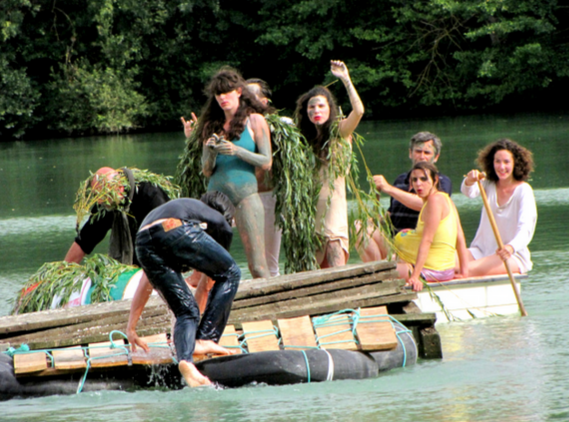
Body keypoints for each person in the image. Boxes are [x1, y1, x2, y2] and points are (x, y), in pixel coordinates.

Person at [126, 192, 241, 388]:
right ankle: (204, 340)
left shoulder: (188, 210)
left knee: (186, 310)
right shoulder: (216, 222)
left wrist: (131, 327)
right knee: (231, 273)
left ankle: (186, 362)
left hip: (142, 241)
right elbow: (204, 285)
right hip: (174, 228)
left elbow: (146, 282)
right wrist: (203, 338)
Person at [196, 68, 272, 279]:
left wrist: (236, 150)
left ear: (239, 91)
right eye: (218, 94)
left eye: (226, 92)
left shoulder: (255, 121)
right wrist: (211, 153)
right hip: (216, 198)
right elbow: (206, 170)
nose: (222, 98)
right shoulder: (212, 126)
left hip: (246, 196)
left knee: (258, 265)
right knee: (211, 267)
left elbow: (266, 162)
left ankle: (270, 308)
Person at [294, 60, 364, 268]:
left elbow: (358, 111)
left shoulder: (340, 132)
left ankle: (345, 300)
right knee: (314, 267)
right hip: (309, 211)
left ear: (330, 108)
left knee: (335, 254)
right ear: (305, 111)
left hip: (333, 207)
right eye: (311, 106)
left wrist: (346, 79)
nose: (316, 110)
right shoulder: (300, 139)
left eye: (321, 106)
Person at [357, 132, 452, 262]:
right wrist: (375, 210)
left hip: (421, 250)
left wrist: (388, 188)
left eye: (427, 153)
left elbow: (426, 205)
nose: (422, 156)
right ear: (410, 153)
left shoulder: (441, 181)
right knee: (358, 226)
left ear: (436, 157)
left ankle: (381, 270)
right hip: (397, 244)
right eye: (418, 151)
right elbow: (391, 214)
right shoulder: (401, 180)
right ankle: (379, 271)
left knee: (390, 260)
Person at [64, 167, 174, 266]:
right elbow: (85, 240)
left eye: (103, 196)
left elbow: (169, 233)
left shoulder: (150, 195)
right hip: (133, 260)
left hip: (160, 253)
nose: (100, 201)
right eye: (97, 196)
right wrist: (62, 271)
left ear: (120, 188)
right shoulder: (106, 205)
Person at [461, 138, 537, 276]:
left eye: (506, 162)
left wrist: (510, 247)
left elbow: (526, 229)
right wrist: (469, 180)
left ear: (515, 163)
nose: (501, 167)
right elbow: (468, 192)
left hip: (511, 255)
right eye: (497, 161)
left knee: (465, 270)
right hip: (481, 251)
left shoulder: (524, 190)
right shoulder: (488, 184)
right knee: (441, 263)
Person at [392, 161, 468, 291]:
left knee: (381, 272)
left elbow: (427, 240)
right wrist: (464, 271)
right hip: (443, 270)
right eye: (414, 180)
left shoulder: (434, 200)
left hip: (432, 270)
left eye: (423, 179)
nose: (418, 184)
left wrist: (415, 276)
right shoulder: (446, 199)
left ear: (435, 180)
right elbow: (460, 236)